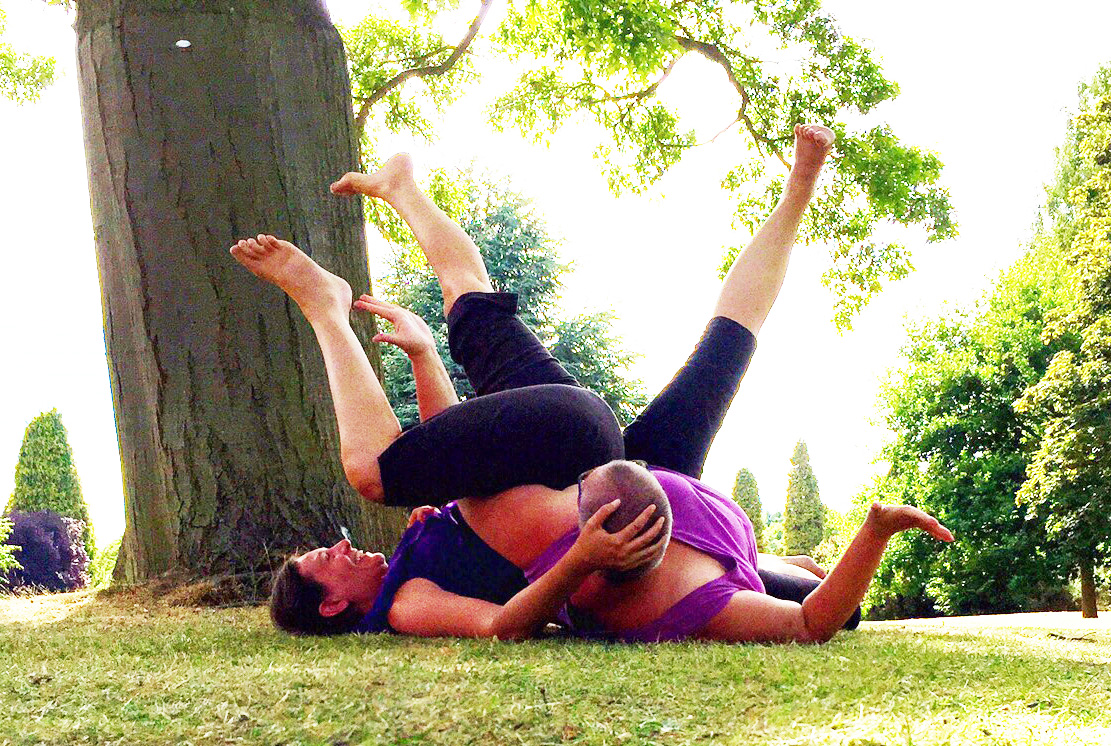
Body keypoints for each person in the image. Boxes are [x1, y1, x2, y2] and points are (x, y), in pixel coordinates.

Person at [232, 124, 953, 643]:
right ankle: (798, 188)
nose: (344, 548)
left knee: (415, 395)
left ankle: (365, 245)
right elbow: (503, 616)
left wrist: (423, 358)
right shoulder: (407, 599)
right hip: (626, 468)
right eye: (326, 562)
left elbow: (472, 461)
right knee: (727, 346)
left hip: (574, 445)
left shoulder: (424, 550)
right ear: (332, 606)